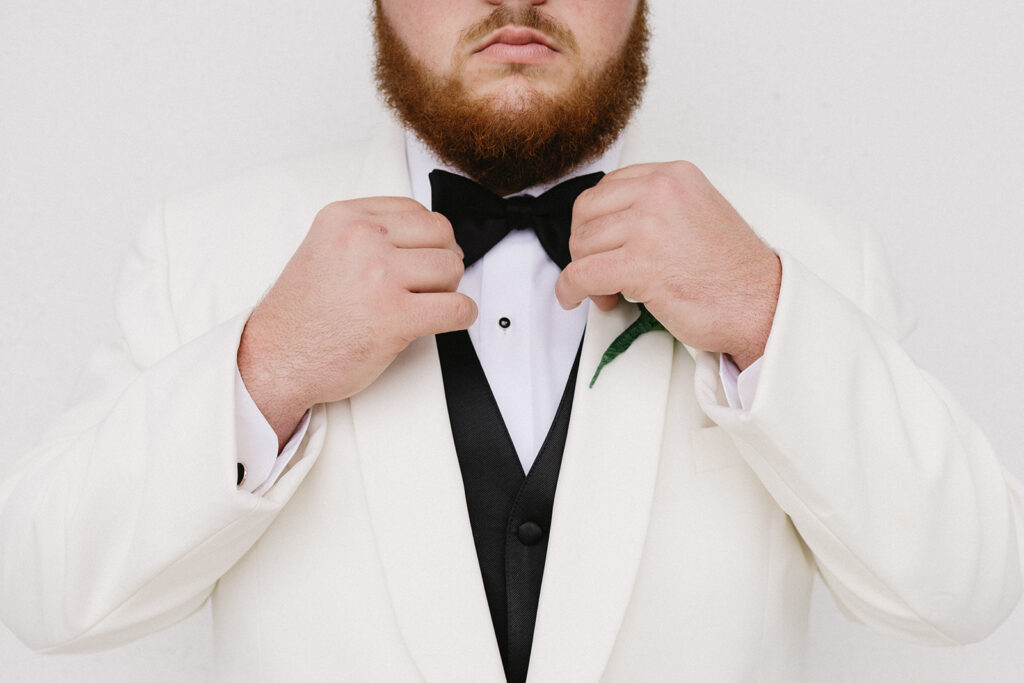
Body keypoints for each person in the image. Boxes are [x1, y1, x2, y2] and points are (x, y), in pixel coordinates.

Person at [1, 0, 1020, 681]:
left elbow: (966, 588)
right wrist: (267, 366)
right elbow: (44, 594)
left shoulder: (803, 252)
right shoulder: (209, 244)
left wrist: (762, 312)